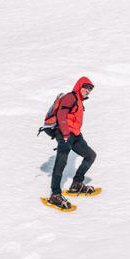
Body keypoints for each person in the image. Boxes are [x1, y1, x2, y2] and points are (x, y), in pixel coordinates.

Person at [47, 77, 97, 209]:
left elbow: (73, 119)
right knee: (61, 162)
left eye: (90, 89)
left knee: (90, 155)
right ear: (79, 85)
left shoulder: (79, 101)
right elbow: (62, 115)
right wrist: (64, 133)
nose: (88, 90)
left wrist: (78, 134)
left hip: (74, 136)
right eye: (86, 87)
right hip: (65, 134)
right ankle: (55, 194)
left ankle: (76, 184)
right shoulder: (71, 97)